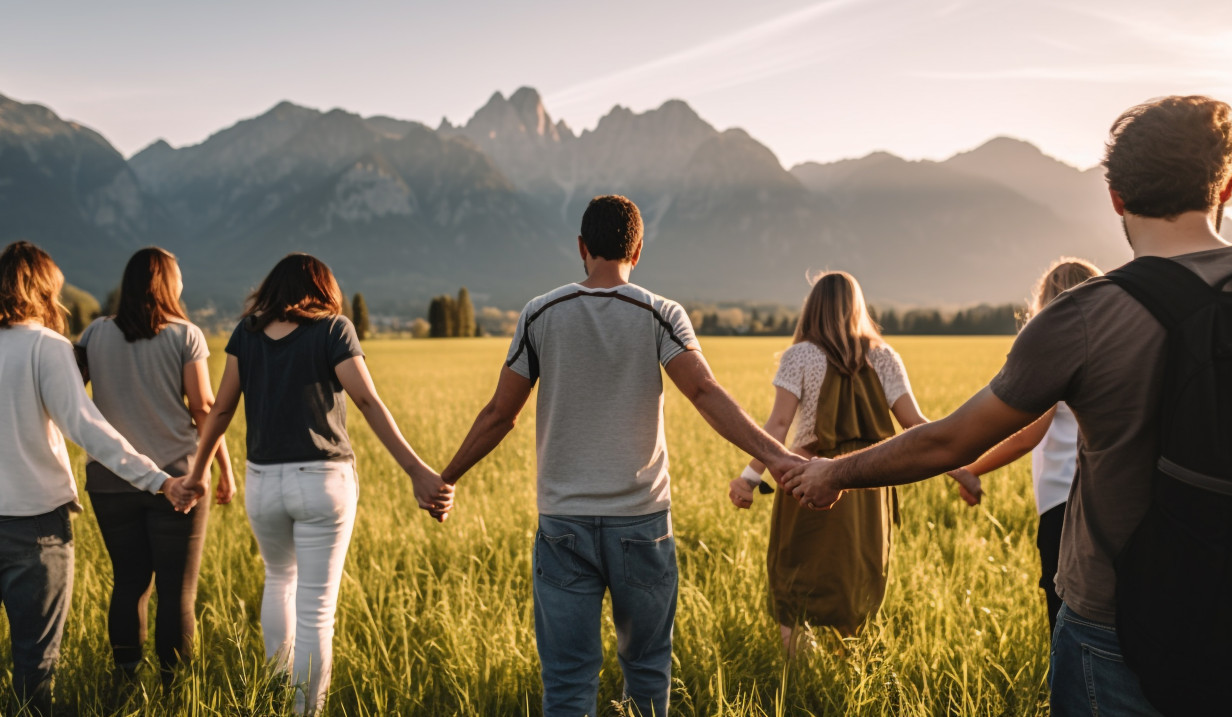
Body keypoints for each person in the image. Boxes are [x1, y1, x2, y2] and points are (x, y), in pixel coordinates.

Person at [782, 95, 1232, 716]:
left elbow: (950, 441)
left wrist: (833, 472)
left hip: (1113, 624)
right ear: (1226, 188)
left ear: (1116, 197)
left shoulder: (1083, 315)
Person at [439, 195, 808, 717]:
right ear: (638, 250)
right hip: (642, 524)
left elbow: (501, 413)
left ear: (582, 249)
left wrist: (446, 476)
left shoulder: (538, 313)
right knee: (647, 672)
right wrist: (781, 459)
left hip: (563, 524)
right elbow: (704, 393)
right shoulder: (660, 312)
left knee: (567, 683)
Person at [181, 253, 452, 715]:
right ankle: (305, 711)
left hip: (263, 483)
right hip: (323, 482)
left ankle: (275, 694)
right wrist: (416, 470)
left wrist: (197, 473)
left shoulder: (246, 334)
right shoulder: (332, 329)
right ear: (322, 289)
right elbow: (366, 400)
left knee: (278, 580)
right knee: (316, 613)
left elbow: (221, 410)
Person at [0, 242, 195, 715]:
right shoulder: (46, 345)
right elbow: (87, 428)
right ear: (43, 290)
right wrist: (159, 480)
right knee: (34, 669)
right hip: (29, 526)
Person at [728, 271, 981, 651]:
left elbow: (778, 424)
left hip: (805, 481)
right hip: (867, 484)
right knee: (857, 581)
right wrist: (962, 471)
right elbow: (917, 425)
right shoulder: (884, 357)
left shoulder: (800, 355)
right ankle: (852, 674)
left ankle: (796, 679)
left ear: (812, 309)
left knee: (795, 579)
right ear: (857, 307)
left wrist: (749, 478)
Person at [74, 247, 235, 691]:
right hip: (178, 478)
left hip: (110, 481)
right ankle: (174, 689)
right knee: (176, 592)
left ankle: (125, 682)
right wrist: (223, 467)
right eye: (178, 275)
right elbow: (204, 408)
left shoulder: (95, 334)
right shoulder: (186, 335)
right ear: (168, 282)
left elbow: (67, 396)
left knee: (128, 583)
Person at [946, 258, 1102, 633]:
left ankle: (1069, 692)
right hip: (1109, 499)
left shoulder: (1054, 350)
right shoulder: (1111, 347)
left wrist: (971, 469)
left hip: (1063, 505)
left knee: (1063, 613)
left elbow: (1024, 436)